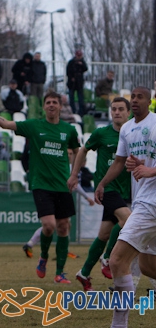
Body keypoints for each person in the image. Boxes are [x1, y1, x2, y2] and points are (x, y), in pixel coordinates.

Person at [0, 90, 79, 284]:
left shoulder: (69, 130)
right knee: (49, 226)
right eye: (48, 102)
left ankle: (59, 273)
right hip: (41, 184)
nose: (51, 105)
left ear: (60, 106)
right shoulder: (34, 126)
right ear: (43, 106)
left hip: (62, 184)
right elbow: (7, 124)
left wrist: (74, 174)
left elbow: (77, 150)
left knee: (63, 227)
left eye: (54, 102)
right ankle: (43, 257)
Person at [93, 87, 156, 327]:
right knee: (147, 266)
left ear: (150, 101)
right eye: (134, 97)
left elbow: (148, 167)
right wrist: (102, 183)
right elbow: (120, 162)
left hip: (150, 203)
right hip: (146, 201)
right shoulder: (128, 129)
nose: (136, 100)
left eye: (140, 97)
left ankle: (119, 325)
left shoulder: (155, 124)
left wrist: (150, 170)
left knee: (117, 260)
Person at [68, 96, 132, 291]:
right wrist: (74, 175)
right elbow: (83, 150)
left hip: (124, 190)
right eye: (114, 109)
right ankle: (107, 259)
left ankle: (84, 272)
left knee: (104, 234)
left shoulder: (132, 134)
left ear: (128, 112)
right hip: (107, 188)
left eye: (121, 109)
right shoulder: (101, 133)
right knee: (128, 221)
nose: (117, 112)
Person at [65, 49, 88, 116]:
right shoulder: (71, 62)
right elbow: (68, 72)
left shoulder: (82, 62)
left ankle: (81, 112)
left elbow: (85, 69)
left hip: (79, 83)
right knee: (71, 97)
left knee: (80, 98)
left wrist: (81, 64)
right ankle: (73, 110)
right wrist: (71, 77)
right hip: (72, 83)